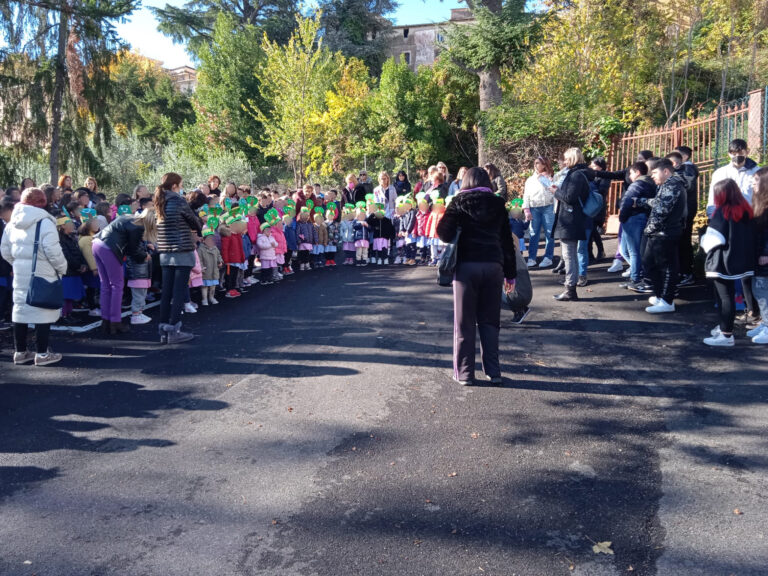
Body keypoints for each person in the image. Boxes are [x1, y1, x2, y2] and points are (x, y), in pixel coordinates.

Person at [437, 167, 516, 386]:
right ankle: (493, 371)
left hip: (466, 267)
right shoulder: (498, 204)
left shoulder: (459, 202)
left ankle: (464, 373)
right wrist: (511, 275)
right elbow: (506, 242)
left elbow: (443, 233)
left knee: (464, 323)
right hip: (494, 267)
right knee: (490, 322)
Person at [1, 187, 68, 366]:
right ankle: (43, 354)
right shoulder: (45, 222)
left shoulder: (11, 223)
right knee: (43, 311)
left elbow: (5, 251)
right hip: (43, 271)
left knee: (20, 311)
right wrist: (62, 268)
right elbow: (53, 252)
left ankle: (20, 352)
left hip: (21, 272)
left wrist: (17, 263)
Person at [701, 178, 755, 347]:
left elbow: (713, 239)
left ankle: (726, 334)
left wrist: (703, 241)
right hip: (741, 261)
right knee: (729, 297)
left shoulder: (721, 212)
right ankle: (724, 327)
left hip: (721, 261)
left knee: (724, 297)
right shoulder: (747, 211)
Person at [633, 158, 688, 314]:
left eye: (655, 172)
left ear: (666, 171)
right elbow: (659, 203)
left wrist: (649, 229)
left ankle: (667, 300)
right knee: (649, 263)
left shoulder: (673, 185)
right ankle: (659, 295)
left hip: (665, 233)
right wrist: (644, 201)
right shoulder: (668, 185)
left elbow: (662, 211)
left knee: (667, 267)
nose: (652, 176)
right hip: (660, 232)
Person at [154, 172, 202, 343]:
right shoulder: (178, 200)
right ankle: (174, 330)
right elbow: (193, 220)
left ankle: (163, 330)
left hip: (165, 252)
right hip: (182, 250)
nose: (182, 188)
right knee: (179, 291)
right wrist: (199, 229)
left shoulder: (159, 201)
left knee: (166, 292)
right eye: (181, 185)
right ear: (174, 186)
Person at [92, 204, 147, 335]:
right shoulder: (139, 226)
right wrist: (144, 256)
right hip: (109, 248)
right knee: (117, 285)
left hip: (97, 243)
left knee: (105, 285)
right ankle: (115, 321)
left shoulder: (128, 218)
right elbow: (133, 250)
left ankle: (106, 320)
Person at [600, 150, 655, 273]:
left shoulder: (642, 182)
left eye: (641, 159)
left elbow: (633, 199)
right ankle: (632, 267)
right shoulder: (634, 175)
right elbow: (613, 175)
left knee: (634, 249)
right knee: (626, 246)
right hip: (629, 214)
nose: (637, 160)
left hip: (635, 216)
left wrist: (624, 215)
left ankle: (637, 273)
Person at [551, 148, 592, 301]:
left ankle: (570, 289)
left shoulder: (576, 175)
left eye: (567, 159)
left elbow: (569, 197)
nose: (565, 162)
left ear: (573, 159)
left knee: (569, 255)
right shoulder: (580, 174)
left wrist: (555, 191)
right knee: (570, 255)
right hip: (572, 219)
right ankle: (570, 288)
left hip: (570, 220)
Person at [617, 162, 656, 291]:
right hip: (641, 217)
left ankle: (636, 278)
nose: (630, 175)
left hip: (633, 218)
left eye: (631, 173)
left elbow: (628, 200)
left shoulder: (638, 184)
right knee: (632, 250)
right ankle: (636, 276)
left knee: (633, 251)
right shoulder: (651, 183)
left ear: (637, 172)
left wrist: (622, 217)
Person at [522, 156, 555, 268]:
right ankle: (532, 258)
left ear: (545, 165)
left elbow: (555, 191)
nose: (536, 165)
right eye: (535, 163)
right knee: (533, 233)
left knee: (549, 233)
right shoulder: (530, 180)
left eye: (539, 163)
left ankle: (548, 257)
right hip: (534, 207)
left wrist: (548, 180)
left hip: (548, 206)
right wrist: (526, 210)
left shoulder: (551, 177)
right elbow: (526, 195)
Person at [674, 146, 700, 286]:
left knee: (684, 242)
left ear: (683, 157)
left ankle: (687, 273)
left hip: (686, 212)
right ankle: (682, 272)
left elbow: (688, 184)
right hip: (683, 212)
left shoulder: (688, 169)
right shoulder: (683, 169)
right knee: (680, 243)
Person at [749, 167, 768, 344]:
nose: (753, 183)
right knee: (758, 289)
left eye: (756, 180)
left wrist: (765, 253)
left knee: (763, 291)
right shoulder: (759, 204)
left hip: (764, 257)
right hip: (757, 254)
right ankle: (765, 322)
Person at [57, 216, 87, 325]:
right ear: (62, 226)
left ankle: (68, 313)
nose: (72, 226)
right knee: (66, 295)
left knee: (69, 296)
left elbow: (78, 252)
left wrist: (83, 264)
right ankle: (64, 315)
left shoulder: (71, 237)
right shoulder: (60, 239)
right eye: (69, 223)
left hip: (73, 270)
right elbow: (66, 256)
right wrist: (78, 266)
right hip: (67, 271)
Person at [588, 157, 610, 260]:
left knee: (592, 228)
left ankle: (600, 251)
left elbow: (602, 191)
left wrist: (591, 186)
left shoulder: (605, 176)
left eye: (594, 165)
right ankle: (591, 253)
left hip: (598, 206)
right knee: (590, 229)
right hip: (590, 205)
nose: (591, 167)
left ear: (600, 167)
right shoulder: (591, 175)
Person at [0, 198, 15, 331]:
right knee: (2, 292)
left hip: (5, 267)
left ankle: (4, 316)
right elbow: (4, 248)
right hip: (2, 267)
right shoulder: (3, 226)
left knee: (5, 292)